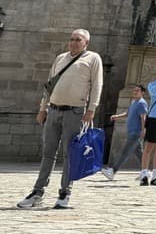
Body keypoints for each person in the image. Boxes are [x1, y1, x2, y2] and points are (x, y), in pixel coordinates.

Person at [17, 28, 103, 210]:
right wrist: (43, 108)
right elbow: (49, 86)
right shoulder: (60, 58)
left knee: (69, 154)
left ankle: (65, 192)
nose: (73, 42)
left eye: (77, 40)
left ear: (86, 43)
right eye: (71, 39)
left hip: (75, 112)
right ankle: (37, 192)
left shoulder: (93, 58)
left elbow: (97, 85)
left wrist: (92, 108)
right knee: (48, 153)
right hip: (54, 111)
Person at [102, 84, 148, 180]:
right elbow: (127, 114)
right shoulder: (133, 102)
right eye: (134, 90)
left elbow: (143, 118)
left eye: (138, 90)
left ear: (142, 92)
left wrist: (143, 130)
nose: (135, 92)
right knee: (140, 154)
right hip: (131, 131)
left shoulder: (142, 103)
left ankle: (112, 171)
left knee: (124, 153)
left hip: (136, 133)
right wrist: (117, 116)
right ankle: (146, 173)